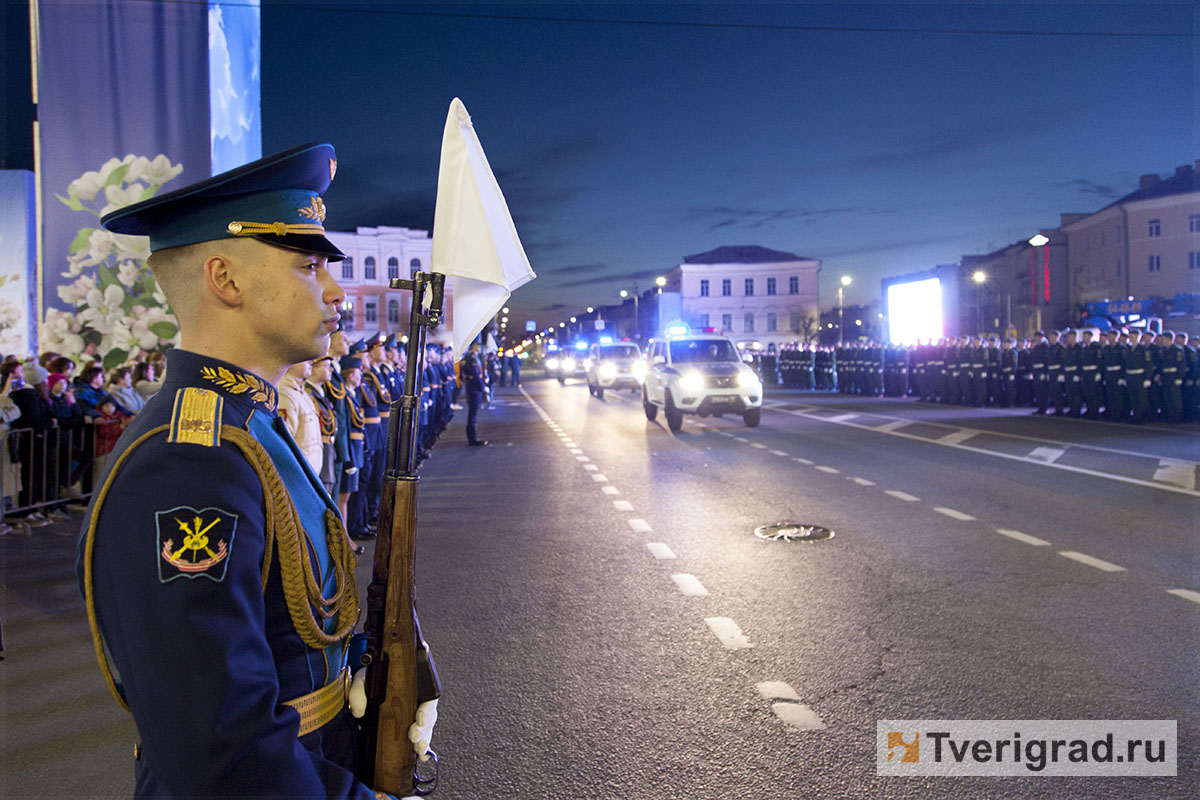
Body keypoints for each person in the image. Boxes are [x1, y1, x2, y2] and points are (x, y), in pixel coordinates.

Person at [75, 143, 430, 799]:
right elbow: (221, 751)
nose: (334, 289)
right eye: (307, 266)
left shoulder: (251, 424)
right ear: (225, 280)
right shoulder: (188, 460)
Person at [461, 340, 489, 446]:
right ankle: (473, 439)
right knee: (472, 414)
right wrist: (483, 387)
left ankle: (473, 437)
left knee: (473, 414)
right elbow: (476, 375)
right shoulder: (471, 359)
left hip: (472, 386)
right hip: (474, 388)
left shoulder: (472, 358)